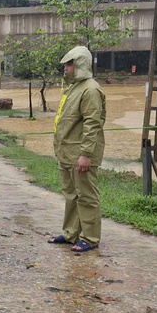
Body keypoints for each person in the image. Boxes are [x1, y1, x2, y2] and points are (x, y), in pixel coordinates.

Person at [48, 45, 106, 253]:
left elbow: (93, 124)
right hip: (67, 151)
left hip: (80, 153)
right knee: (71, 194)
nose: (66, 68)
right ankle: (72, 233)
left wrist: (86, 154)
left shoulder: (91, 89)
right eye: (66, 64)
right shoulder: (72, 87)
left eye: (70, 63)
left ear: (80, 64)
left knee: (86, 195)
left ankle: (90, 237)